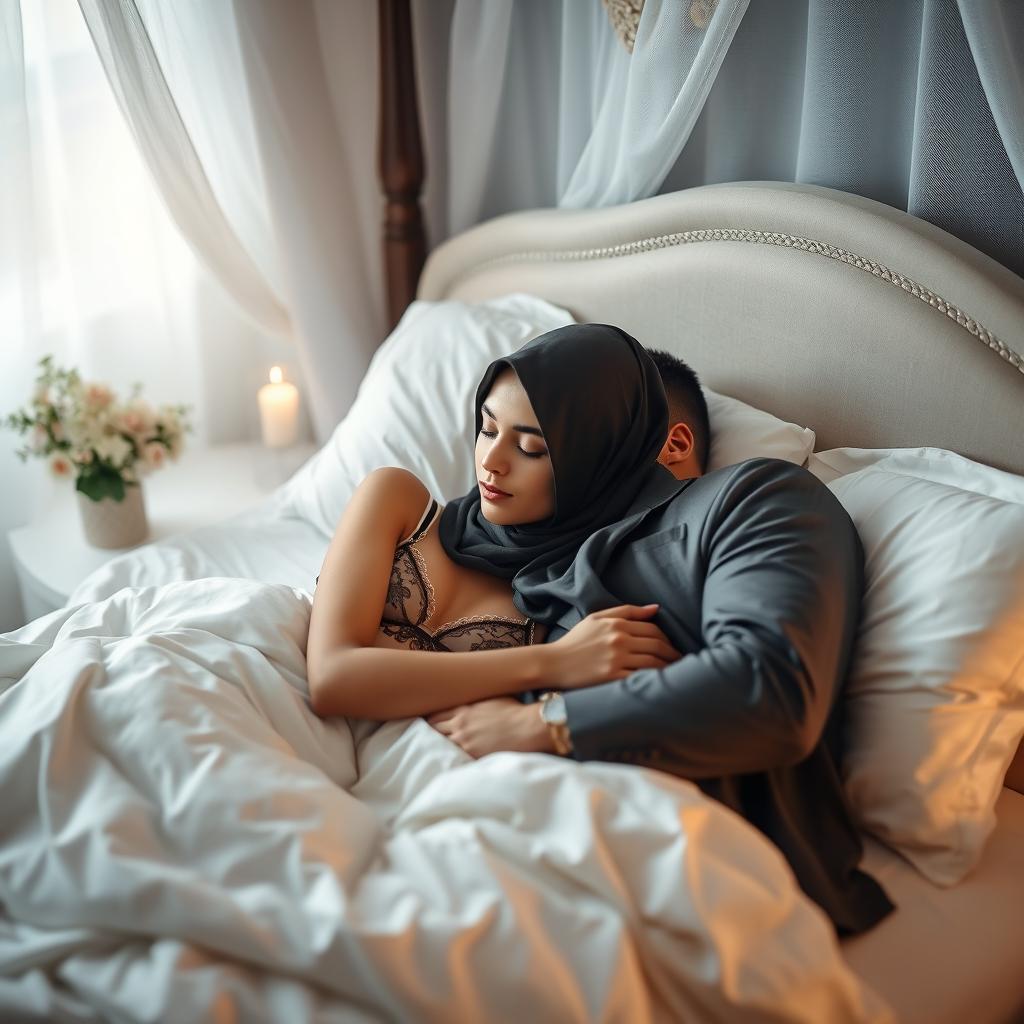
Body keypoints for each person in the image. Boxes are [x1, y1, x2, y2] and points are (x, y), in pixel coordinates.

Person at [430, 327, 895, 938]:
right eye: (488, 430)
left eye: (541, 444)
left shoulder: (755, 497)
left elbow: (772, 686)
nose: (492, 460)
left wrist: (540, 725)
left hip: (649, 836)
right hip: (466, 797)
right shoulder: (533, 551)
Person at [305, 325, 684, 726]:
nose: (490, 461)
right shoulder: (395, 498)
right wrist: (553, 662)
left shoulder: (571, 596)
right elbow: (332, 680)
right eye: (488, 429)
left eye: (530, 449)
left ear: (595, 466)